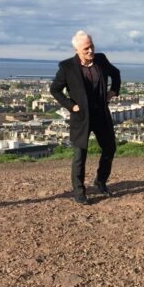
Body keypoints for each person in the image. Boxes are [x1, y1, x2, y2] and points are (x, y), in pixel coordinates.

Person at [50, 30, 121, 205]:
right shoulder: (67, 67)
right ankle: (79, 191)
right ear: (77, 50)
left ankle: (100, 181)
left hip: (101, 113)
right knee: (80, 153)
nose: (91, 51)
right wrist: (71, 106)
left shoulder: (101, 59)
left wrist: (112, 93)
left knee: (109, 148)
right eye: (86, 48)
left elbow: (116, 73)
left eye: (92, 46)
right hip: (81, 116)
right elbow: (55, 90)